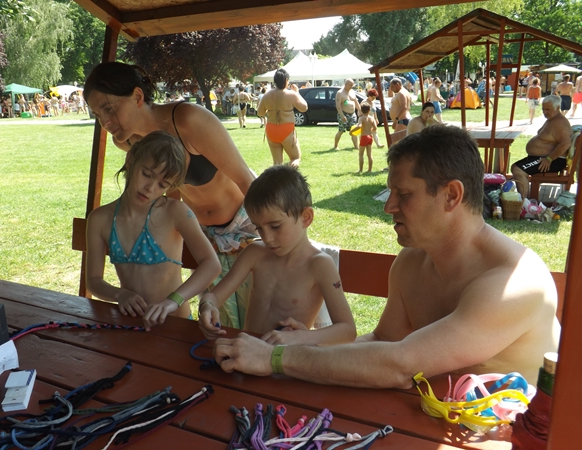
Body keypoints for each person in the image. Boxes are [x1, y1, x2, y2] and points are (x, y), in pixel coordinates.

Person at [214, 126, 560, 388]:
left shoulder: (515, 282)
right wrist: (305, 344)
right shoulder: (412, 261)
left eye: (403, 194)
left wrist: (276, 357)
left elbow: (401, 364)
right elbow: (382, 342)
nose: (388, 206)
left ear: (451, 195)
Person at [84, 62, 258, 329]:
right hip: (206, 234)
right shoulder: (127, 140)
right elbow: (167, 188)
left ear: (137, 96)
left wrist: (271, 236)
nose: (105, 122)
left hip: (246, 224)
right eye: (97, 114)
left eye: (109, 108)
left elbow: (245, 180)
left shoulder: (188, 120)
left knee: (257, 320)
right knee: (222, 325)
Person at [199, 165, 356, 345]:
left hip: (287, 358)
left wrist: (302, 337)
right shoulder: (254, 253)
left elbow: (347, 330)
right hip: (249, 351)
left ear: (306, 217)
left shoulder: (319, 265)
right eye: (259, 228)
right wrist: (207, 307)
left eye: (275, 226)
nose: (267, 238)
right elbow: (214, 297)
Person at [85, 131, 221, 330]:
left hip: (176, 324)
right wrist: (119, 294)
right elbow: (93, 281)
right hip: (132, 326)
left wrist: (173, 301)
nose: (150, 188)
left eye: (162, 185)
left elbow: (212, 264)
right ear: (130, 160)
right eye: (147, 174)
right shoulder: (100, 219)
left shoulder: (175, 212)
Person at [511, 95, 572, 199]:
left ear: (557, 108)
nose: (544, 112)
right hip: (543, 158)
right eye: (543, 109)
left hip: (554, 160)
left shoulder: (560, 123)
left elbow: (566, 143)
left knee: (519, 171)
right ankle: (523, 199)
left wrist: (549, 159)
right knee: (514, 167)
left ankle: (523, 203)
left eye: (548, 109)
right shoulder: (552, 119)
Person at [257, 69, 307, 168]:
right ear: (286, 80)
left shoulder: (267, 95)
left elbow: (260, 112)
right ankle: (287, 174)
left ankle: (278, 176)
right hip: (286, 129)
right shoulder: (291, 94)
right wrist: (297, 92)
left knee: (277, 164)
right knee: (296, 158)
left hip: (271, 129)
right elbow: (304, 107)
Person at [334, 78, 361, 150]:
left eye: (352, 85)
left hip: (353, 114)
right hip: (344, 114)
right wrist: (342, 115)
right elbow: (338, 105)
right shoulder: (340, 93)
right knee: (341, 130)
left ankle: (356, 146)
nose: (352, 86)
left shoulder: (352, 92)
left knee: (354, 130)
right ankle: (336, 146)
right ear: (346, 84)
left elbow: (356, 102)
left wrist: (360, 110)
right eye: (350, 85)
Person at [356, 103, 377, 172]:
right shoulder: (372, 118)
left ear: (361, 110)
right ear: (369, 110)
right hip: (370, 137)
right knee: (369, 155)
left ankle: (360, 170)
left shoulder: (361, 118)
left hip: (364, 137)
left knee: (361, 154)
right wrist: (370, 130)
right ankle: (369, 170)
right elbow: (375, 128)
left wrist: (352, 131)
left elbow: (359, 126)